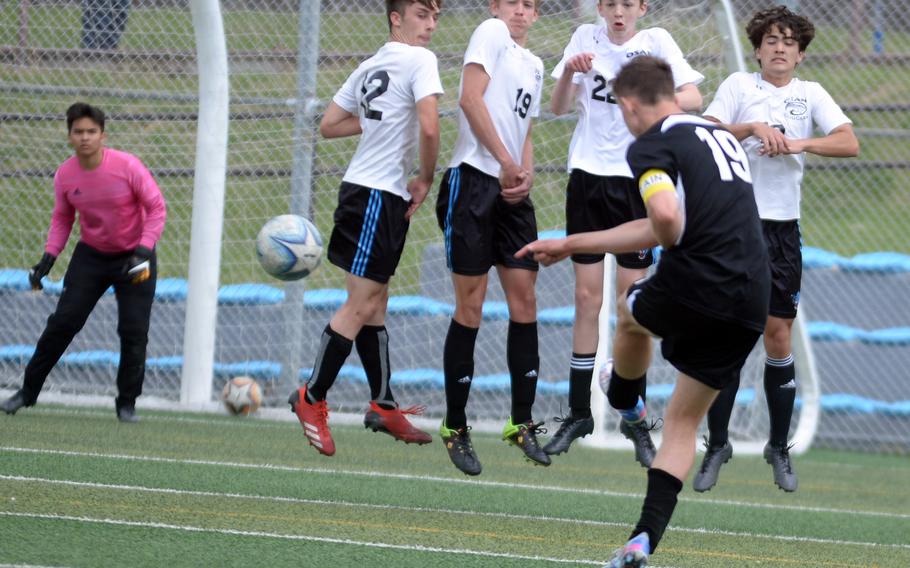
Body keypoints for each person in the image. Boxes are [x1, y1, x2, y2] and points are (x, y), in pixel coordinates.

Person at [516, 55, 770, 568]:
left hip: (700, 276)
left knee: (631, 312)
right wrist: (572, 243)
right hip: (752, 295)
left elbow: (665, 219)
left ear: (630, 106)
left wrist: (673, 237)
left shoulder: (651, 143)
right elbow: (660, 221)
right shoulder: (712, 132)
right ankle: (642, 541)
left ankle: (626, 397)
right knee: (680, 424)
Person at [694, 5, 859, 493]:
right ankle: (718, 443)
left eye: (789, 41)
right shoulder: (739, 89)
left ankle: (778, 447)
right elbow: (703, 135)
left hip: (783, 232)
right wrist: (750, 129)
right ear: (759, 48)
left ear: (801, 53)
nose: (780, 47)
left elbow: (848, 142)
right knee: (726, 335)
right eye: (771, 40)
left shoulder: (810, 95)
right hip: (734, 229)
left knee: (778, 336)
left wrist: (797, 144)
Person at [543, 0, 704, 462]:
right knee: (586, 298)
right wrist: (570, 74)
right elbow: (556, 108)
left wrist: (652, 100)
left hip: (637, 179)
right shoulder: (583, 41)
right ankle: (578, 412)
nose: (618, 12)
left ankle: (634, 418)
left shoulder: (655, 44)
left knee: (632, 307)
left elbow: (692, 97)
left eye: (627, 4)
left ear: (641, 7)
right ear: (600, 7)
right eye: (610, 3)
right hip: (588, 178)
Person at [287, 0, 443, 457]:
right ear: (395, 17)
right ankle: (311, 396)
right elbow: (431, 129)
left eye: (435, 17)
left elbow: (330, 125)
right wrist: (426, 177)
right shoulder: (420, 60)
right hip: (376, 195)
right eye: (421, 14)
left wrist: (380, 122)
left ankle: (384, 403)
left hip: (368, 193)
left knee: (377, 301)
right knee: (361, 303)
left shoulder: (371, 64)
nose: (430, 25)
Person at [0, 102, 167, 423]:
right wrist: (48, 258)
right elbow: (63, 218)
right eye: (79, 132)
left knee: (134, 331)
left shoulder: (128, 166)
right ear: (70, 136)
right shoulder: (65, 175)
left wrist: (144, 250)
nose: (85, 137)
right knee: (63, 323)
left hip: (136, 258)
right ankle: (27, 392)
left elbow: (157, 208)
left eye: (92, 131)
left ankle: (126, 404)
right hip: (91, 257)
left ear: (103, 135)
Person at [435, 0, 546, 476]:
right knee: (472, 305)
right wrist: (504, 162)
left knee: (525, 301)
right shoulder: (490, 32)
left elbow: (524, 129)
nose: (519, 11)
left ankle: (520, 422)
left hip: (509, 191)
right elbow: (470, 99)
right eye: (511, 2)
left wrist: (526, 172)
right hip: (474, 182)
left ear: (537, 14)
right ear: (494, 6)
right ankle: (455, 427)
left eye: (529, 5)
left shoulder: (536, 64)